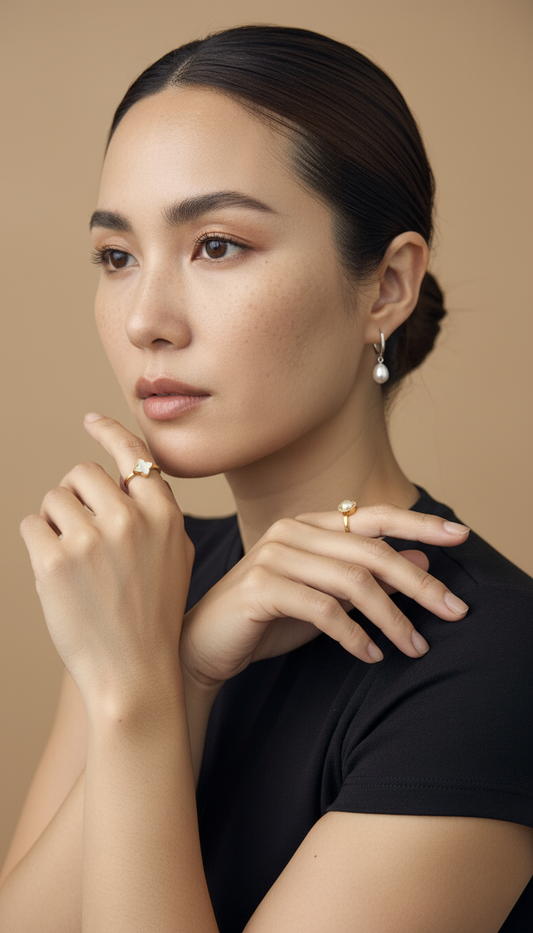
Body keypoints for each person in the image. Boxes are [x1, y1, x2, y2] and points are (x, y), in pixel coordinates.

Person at [0, 24, 532, 933]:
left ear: (387, 287)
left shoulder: (487, 663)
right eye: (116, 257)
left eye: (216, 245)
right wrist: (183, 666)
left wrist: (139, 693)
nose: (145, 321)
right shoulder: (151, 578)